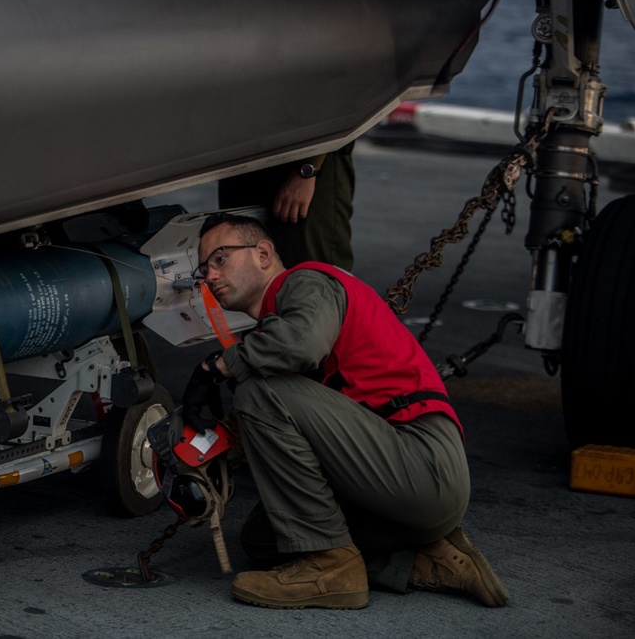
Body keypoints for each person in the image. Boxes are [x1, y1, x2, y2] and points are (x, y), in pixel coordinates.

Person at [180, 213, 508, 610]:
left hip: (422, 461)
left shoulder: (305, 282)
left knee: (259, 391)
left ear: (263, 253)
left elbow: (299, 345)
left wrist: (216, 366)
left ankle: (331, 566)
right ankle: (426, 557)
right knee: (264, 538)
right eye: (204, 269)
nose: (211, 277)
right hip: (398, 489)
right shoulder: (278, 323)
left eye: (220, 259)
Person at [218, 144, 355, 271]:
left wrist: (308, 167)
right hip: (241, 158)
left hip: (304, 161)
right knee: (243, 270)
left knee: (312, 274)